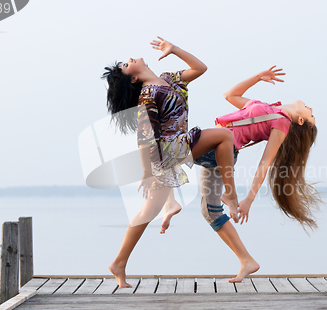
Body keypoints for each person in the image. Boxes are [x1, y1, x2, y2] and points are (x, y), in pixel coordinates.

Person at [102, 37, 239, 288]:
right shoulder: (147, 94)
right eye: (124, 65)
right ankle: (229, 194)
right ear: (132, 78)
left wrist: (174, 49)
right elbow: (144, 138)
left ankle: (119, 262)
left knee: (148, 211)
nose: (128, 60)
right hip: (170, 147)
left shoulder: (168, 79)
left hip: (175, 147)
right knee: (224, 135)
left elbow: (200, 68)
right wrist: (147, 172)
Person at [191, 66, 321, 282]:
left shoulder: (282, 123)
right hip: (218, 153)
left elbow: (264, 164)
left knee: (165, 152)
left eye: (312, 115)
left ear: (301, 121)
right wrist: (259, 77)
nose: (311, 108)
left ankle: (217, 198)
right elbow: (230, 95)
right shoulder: (269, 108)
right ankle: (247, 261)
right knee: (210, 212)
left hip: (219, 150)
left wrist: (249, 199)